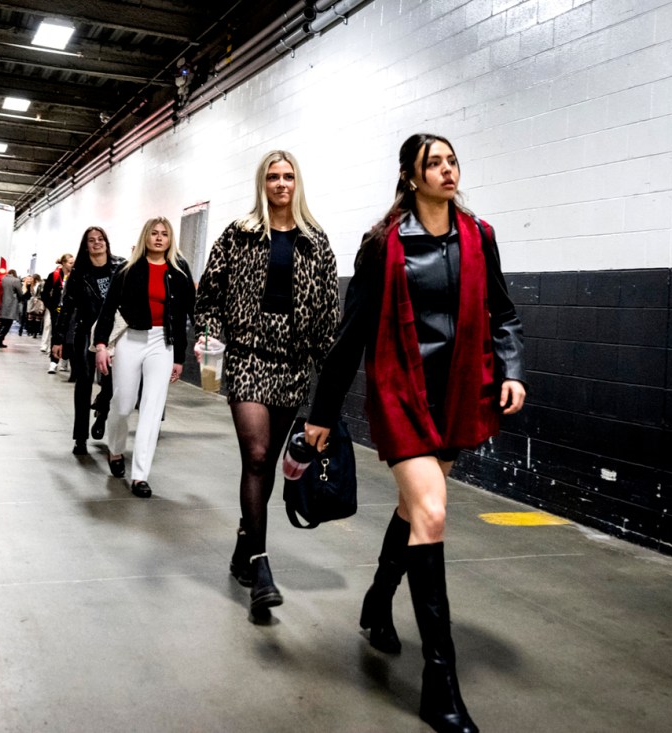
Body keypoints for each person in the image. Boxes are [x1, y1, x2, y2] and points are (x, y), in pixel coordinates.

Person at [304, 133, 526, 733]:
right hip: (402, 391)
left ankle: (378, 600)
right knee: (432, 510)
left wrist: (511, 371)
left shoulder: (479, 236)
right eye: (435, 163)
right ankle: (439, 681)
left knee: (414, 506)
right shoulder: (383, 245)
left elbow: (503, 314)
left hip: (458, 391)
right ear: (411, 176)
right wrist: (321, 413)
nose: (448, 170)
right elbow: (351, 334)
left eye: (453, 160)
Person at [193, 150, 339, 614]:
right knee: (255, 456)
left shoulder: (316, 241)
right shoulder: (239, 235)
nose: (281, 184)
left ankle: (242, 543)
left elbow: (326, 316)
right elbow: (209, 295)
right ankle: (260, 565)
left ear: (297, 183)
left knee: (267, 464)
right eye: (273, 177)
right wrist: (211, 334)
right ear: (263, 183)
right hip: (247, 357)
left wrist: (327, 384)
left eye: (288, 176)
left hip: (293, 364)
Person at [93, 217, 194, 498]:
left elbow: (184, 313)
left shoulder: (179, 270)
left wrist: (179, 356)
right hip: (131, 340)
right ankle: (115, 450)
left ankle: (140, 476)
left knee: (152, 409)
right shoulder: (127, 270)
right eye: (154, 233)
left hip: (163, 344)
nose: (159, 238)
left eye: (164, 234)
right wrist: (101, 344)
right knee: (123, 405)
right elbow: (108, 307)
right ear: (145, 237)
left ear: (170, 239)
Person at [53, 227, 126, 455]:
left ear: (107, 241)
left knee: (114, 383)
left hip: (115, 333)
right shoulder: (78, 273)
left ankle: (102, 411)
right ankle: (80, 437)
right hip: (86, 331)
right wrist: (58, 339)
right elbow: (67, 308)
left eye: (101, 239)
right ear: (86, 246)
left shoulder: (121, 266)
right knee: (84, 382)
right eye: (92, 240)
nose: (97, 243)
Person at [41, 254, 73, 371]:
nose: (72, 265)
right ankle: (53, 362)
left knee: (68, 336)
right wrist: (51, 307)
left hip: (70, 311)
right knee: (56, 334)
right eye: (70, 263)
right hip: (57, 311)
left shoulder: (75, 276)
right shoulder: (54, 275)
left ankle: (65, 359)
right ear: (64, 263)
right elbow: (45, 293)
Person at [0, 269, 25, 348]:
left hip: (1, 304)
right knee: (7, 324)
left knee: (1, 323)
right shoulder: (16, 280)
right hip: (11, 305)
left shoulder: (2, 279)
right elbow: (20, 293)